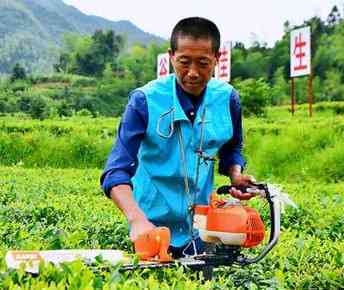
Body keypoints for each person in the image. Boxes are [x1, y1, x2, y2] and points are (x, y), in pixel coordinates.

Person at [100, 17, 255, 258]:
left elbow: (232, 148)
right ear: (172, 56)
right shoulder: (144, 100)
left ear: (217, 58)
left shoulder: (227, 99)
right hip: (151, 228)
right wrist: (137, 220)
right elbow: (115, 172)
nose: (193, 73)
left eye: (203, 63)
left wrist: (236, 174)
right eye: (184, 62)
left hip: (203, 227)